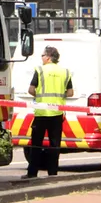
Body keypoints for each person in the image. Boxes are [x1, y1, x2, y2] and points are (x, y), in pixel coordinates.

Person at [22, 45, 73, 179]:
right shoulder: (65, 72)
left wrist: (39, 96)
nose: (42, 58)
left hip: (42, 113)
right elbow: (70, 92)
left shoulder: (40, 70)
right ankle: (53, 173)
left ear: (48, 57)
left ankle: (32, 173)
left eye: (42, 56)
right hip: (57, 114)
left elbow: (31, 90)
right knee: (54, 145)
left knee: (36, 144)